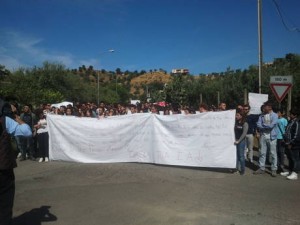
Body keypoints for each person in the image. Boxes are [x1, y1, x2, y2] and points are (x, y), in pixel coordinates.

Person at [0, 98, 32, 225]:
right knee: (4, 205)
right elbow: (27, 132)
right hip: (3, 169)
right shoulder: (5, 121)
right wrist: (14, 116)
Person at [254, 101, 278, 177]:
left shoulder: (274, 115)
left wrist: (263, 126)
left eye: (265, 106)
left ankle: (274, 169)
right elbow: (258, 124)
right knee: (262, 152)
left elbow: (272, 125)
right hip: (263, 136)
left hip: (272, 136)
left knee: (273, 153)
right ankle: (261, 168)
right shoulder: (261, 116)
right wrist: (265, 126)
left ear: (270, 107)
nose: (264, 108)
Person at [280, 109, 300, 180]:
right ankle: (290, 171)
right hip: (288, 143)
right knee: (290, 158)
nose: (289, 115)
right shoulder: (290, 121)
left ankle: (295, 173)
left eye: (291, 114)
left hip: (294, 144)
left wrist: (291, 143)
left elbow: (296, 135)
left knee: (296, 159)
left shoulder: (297, 123)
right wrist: (285, 140)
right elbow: (288, 131)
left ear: (295, 115)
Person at [234, 110, 249, 175]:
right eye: (236, 115)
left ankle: (242, 170)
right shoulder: (235, 122)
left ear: (241, 116)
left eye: (237, 115)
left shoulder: (245, 123)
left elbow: (244, 134)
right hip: (235, 140)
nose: (236, 116)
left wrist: (238, 141)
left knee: (241, 156)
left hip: (241, 141)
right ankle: (237, 168)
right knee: (236, 156)